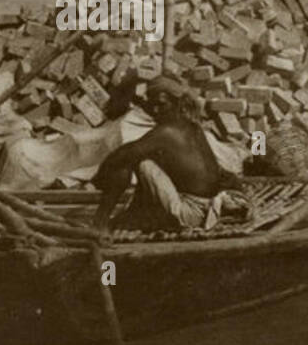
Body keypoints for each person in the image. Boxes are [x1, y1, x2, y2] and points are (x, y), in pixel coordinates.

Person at [92, 76, 243, 233]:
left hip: (192, 214)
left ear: (177, 103)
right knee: (144, 156)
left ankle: (100, 222)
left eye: (162, 104)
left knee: (136, 160)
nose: (156, 110)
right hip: (204, 208)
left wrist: (100, 176)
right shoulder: (193, 126)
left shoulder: (166, 133)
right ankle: (133, 216)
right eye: (153, 105)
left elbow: (123, 156)